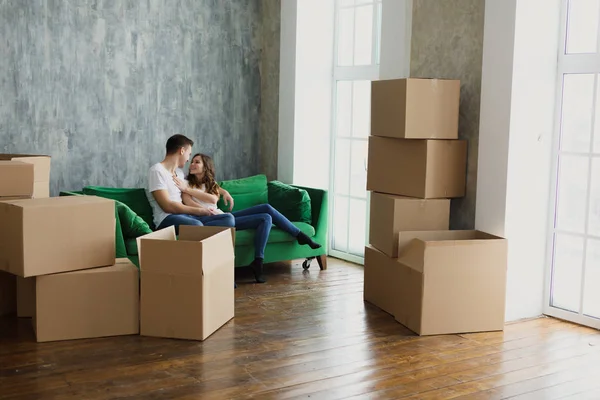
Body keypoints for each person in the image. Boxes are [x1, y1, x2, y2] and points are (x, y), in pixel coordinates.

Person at [176, 153, 321, 284]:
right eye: (192, 162)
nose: (192, 164)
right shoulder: (186, 184)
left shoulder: (210, 184)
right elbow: (189, 202)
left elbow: (213, 198)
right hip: (217, 221)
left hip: (223, 215)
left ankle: (260, 260)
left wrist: (224, 192)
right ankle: (293, 241)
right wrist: (200, 205)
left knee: (266, 212)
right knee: (265, 217)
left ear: (205, 167)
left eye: (197, 162)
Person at [147, 134, 236, 233]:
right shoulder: (157, 171)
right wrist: (200, 211)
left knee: (228, 218)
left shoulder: (179, 173)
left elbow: (203, 181)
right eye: (189, 154)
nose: (188, 159)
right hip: (167, 219)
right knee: (196, 225)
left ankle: (202, 229)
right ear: (182, 151)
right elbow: (168, 206)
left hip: (186, 216)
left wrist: (224, 192)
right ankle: (201, 229)